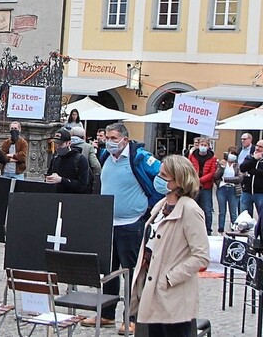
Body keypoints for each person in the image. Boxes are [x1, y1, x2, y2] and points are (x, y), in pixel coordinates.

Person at [84, 122, 160, 333]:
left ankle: (135, 317)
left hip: (132, 224)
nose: (109, 142)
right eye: (107, 138)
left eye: (114, 138)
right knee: (108, 272)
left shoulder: (139, 158)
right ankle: (107, 314)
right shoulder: (106, 157)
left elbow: (163, 176)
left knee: (133, 274)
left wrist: (154, 208)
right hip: (109, 222)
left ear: (125, 140)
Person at [129, 155, 209, 337]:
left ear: (178, 180)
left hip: (173, 295)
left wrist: (170, 278)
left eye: (164, 175)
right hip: (150, 287)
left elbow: (201, 256)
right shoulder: (161, 205)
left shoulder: (190, 210)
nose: (158, 179)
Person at [45, 128, 92, 193]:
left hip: (73, 199)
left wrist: (62, 180)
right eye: (56, 144)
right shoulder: (55, 159)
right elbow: (49, 175)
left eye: (60, 144)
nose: (57, 147)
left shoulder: (80, 159)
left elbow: (82, 185)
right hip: (56, 197)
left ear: (69, 143)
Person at [187, 137, 217, 235]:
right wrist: (195, 180)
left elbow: (212, 172)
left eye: (205, 145)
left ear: (208, 147)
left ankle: (208, 230)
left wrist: (201, 180)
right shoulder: (192, 156)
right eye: (201, 145)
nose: (203, 147)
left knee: (207, 209)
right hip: (194, 186)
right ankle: (191, 229)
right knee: (192, 208)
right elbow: (189, 168)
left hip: (206, 187)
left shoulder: (212, 158)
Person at [215, 146, 241, 234]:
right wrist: (221, 168)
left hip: (233, 189)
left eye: (234, 154)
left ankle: (235, 229)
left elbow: (239, 178)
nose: (232, 155)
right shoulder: (222, 163)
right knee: (222, 211)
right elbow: (216, 176)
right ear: (227, 153)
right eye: (231, 153)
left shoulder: (237, 165)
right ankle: (221, 230)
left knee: (233, 211)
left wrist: (226, 179)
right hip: (222, 189)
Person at [70, 125, 100, 191]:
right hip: (83, 181)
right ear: (83, 136)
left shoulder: (66, 144)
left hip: (67, 181)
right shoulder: (88, 147)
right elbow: (95, 165)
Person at [240, 140, 263, 217]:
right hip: (247, 191)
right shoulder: (249, 157)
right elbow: (242, 168)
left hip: (260, 192)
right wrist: (254, 159)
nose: (257, 148)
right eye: (257, 145)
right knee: (244, 216)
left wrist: (251, 171)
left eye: (260, 147)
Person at [239, 133, 256, 215]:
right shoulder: (239, 149)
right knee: (242, 207)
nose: (242, 141)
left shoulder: (254, 150)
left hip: (251, 180)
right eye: (241, 139)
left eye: (244, 139)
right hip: (240, 178)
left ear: (250, 139)